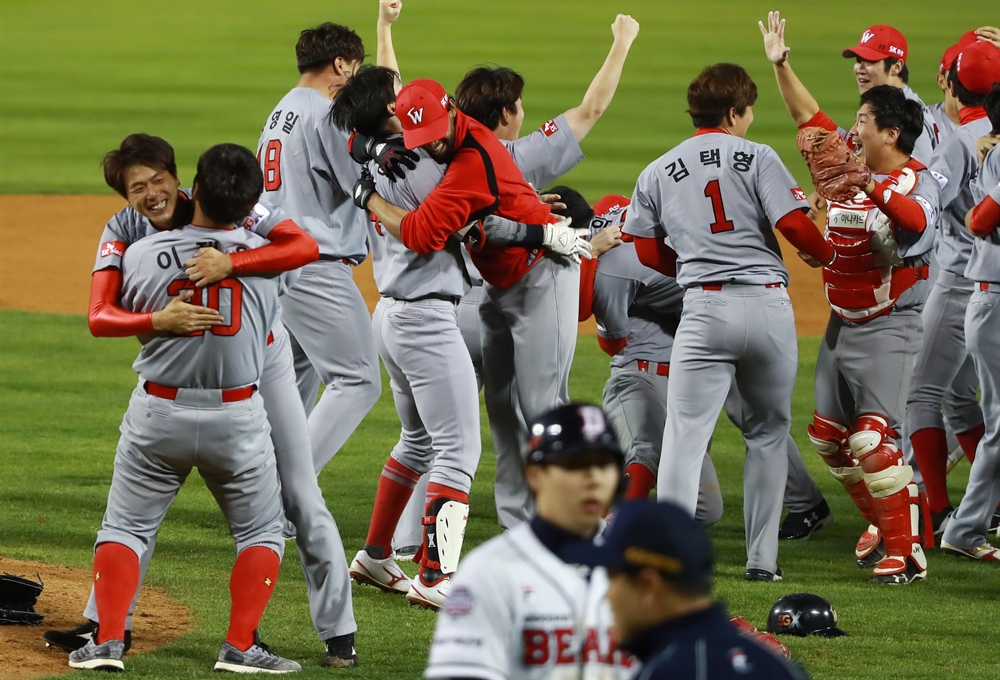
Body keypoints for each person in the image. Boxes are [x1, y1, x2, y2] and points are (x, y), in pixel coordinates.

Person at [48, 133, 359, 667]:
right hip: (207, 373)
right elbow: (99, 316)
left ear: (181, 179)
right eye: (136, 187)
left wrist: (229, 265)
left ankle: (338, 632)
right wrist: (160, 318)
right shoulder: (124, 227)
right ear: (125, 195)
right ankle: (106, 625)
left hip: (263, 357)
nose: (150, 194)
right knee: (212, 512)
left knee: (300, 493)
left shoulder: (221, 197)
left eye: (157, 180)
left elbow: (304, 247)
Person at [622, 62, 832, 581]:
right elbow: (793, 228)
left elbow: (646, 250)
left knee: (684, 437)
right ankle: (762, 564)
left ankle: (668, 560)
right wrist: (824, 251)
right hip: (767, 309)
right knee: (765, 435)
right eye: (749, 110)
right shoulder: (758, 156)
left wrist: (693, 268)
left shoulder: (657, 169)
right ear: (734, 111)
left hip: (703, 312)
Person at [763, 15, 943, 583]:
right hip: (843, 322)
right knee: (829, 437)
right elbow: (808, 120)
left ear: (889, 134)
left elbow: (915, 224)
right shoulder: (851, 159)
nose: (851, 129)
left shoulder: (916, 182)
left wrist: (868, 188)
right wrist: (781, 65)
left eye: (862, 122)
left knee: (873, 438)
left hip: (890, 324)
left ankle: (906, 551)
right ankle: (887, 524)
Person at [453, 14, 639, 528]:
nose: (524, 112)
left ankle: (561, 520)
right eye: (518, 106)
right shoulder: (518, 157)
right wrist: (622, 43)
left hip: (489, 294)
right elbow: (592, 107)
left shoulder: (447, 162)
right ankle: (561, 521)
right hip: (526, 286)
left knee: (513, 413)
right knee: (538, 407)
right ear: (504, 114)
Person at [586, 195, 830, 537]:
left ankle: (617, 526)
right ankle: (808, 504)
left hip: (716, 317)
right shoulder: (657, 222)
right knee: (755, 417)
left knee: (746, 416)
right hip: (754, 295)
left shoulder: (614, 265)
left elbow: (611, 341)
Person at [257, 12, 384, 477]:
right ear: (340, 64)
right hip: (314, 263)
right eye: (354, 68)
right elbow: (365, 185)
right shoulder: (329, 113)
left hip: (275, 263)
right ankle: (288, 496)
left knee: (290, 386)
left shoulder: (282, 108)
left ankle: (259, 499)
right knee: (358, 380)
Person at [424, 403, 635, 679]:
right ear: (535, 474)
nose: (593, 478)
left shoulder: (639, 567)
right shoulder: (489, 572)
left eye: (604, 464)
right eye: (575, 465)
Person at [904, 40, 999, 536]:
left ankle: (937, 511)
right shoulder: (994, 133)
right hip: (984, 280)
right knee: (963, 398)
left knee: (920, 393)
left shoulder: (962, 141)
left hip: (962, 278)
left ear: (950, 85)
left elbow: (927, 202)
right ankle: (993, 503)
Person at [594, 500, 810, 679]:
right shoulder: (780, 668)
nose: (607, 593)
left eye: (612, 580)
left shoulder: (662, 670)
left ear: (648, 585)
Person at [940, 83, 1000, 562]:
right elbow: (981, 219)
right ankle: (965, 527)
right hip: (993, 301)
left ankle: (967, 526)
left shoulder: (991, 148)